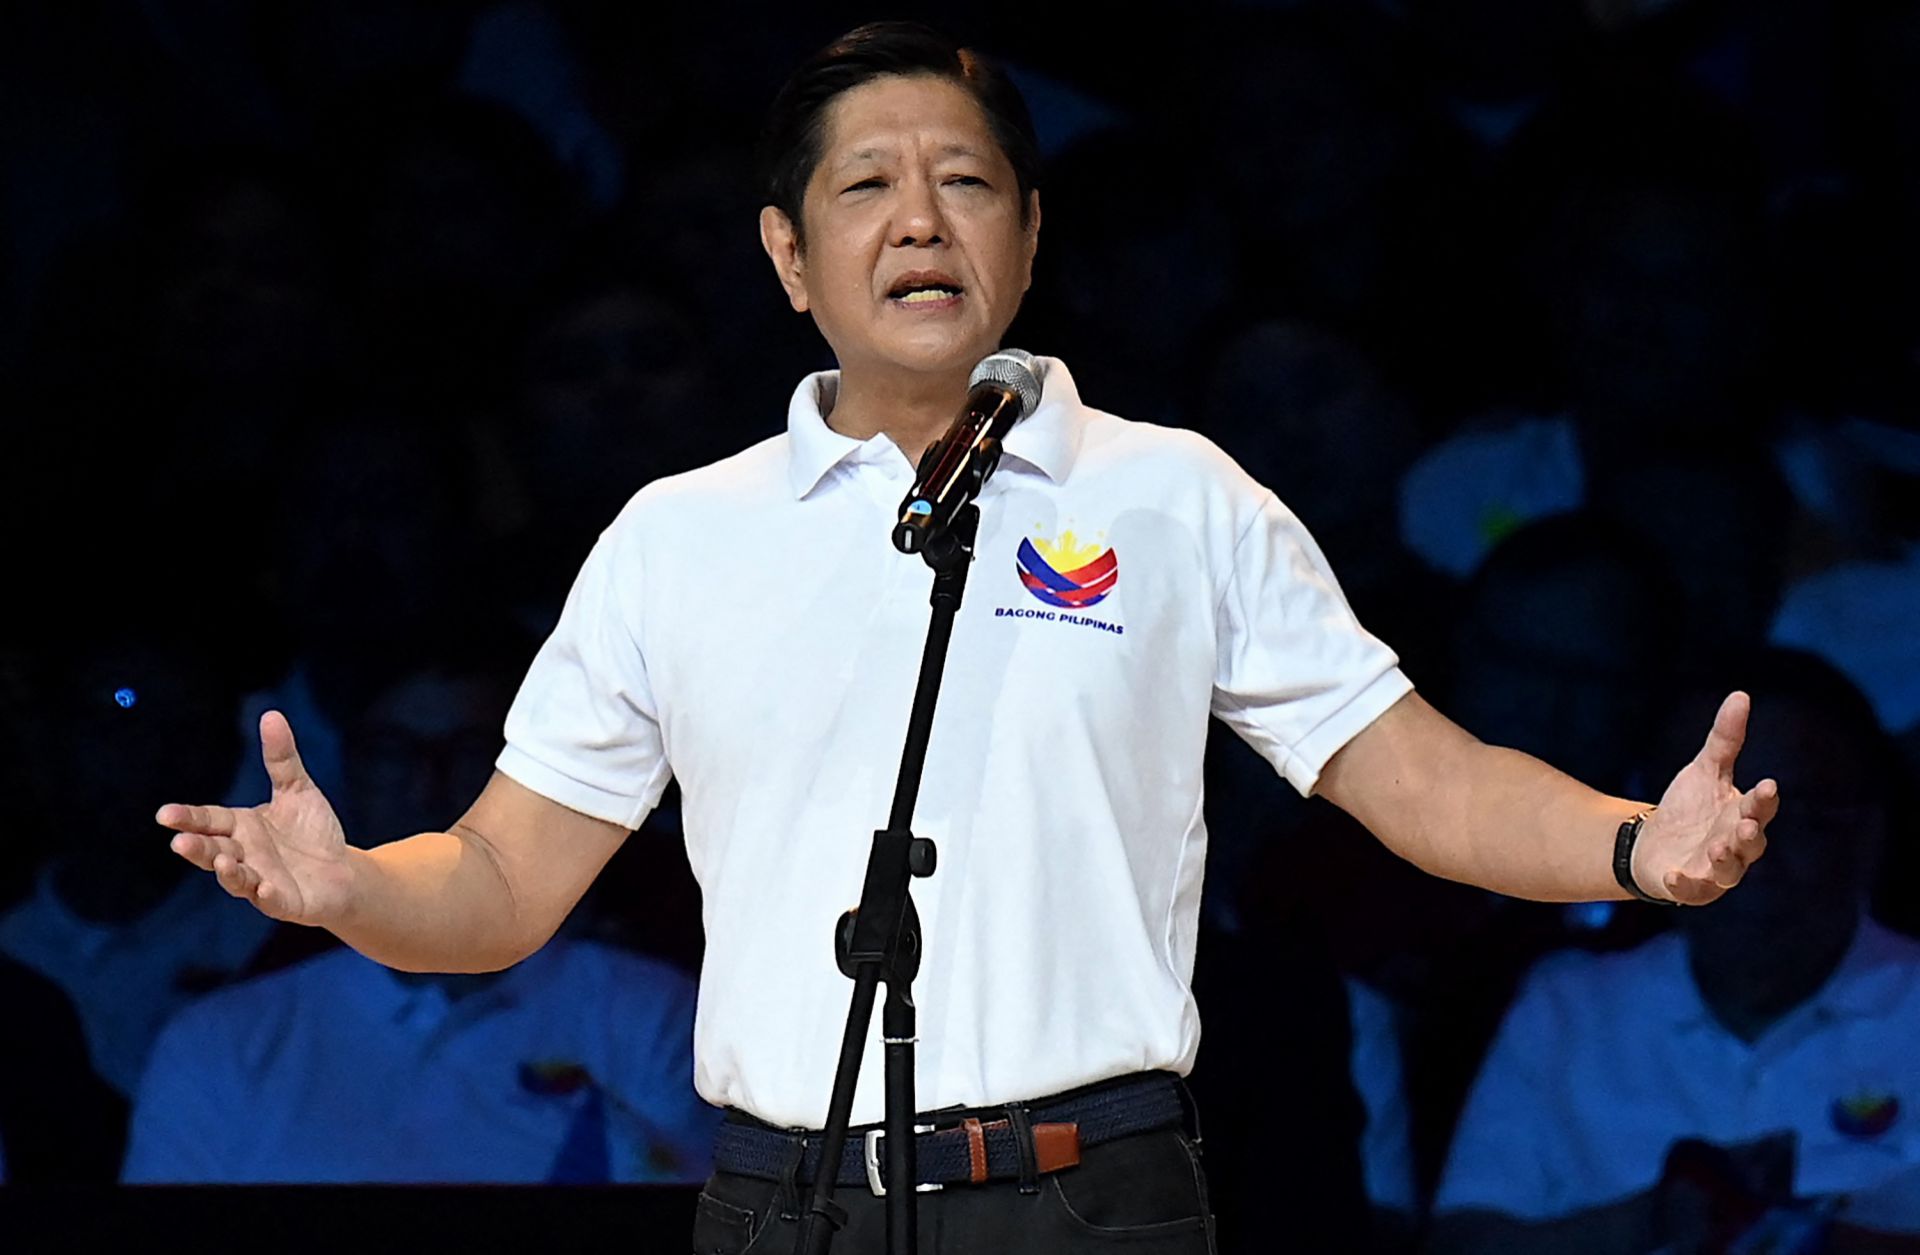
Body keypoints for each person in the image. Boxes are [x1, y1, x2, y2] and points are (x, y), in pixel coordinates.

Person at [155, 23, 1780, 1255]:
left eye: (966, 182)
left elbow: (1416, 780)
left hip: (1095, 1196)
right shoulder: (678, 538)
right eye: (867, 184)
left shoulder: (1175, 499)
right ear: (788, 256)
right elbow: (506, 883)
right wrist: (357, 886)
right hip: (785, 1196)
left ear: (1027, 238)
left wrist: (1635, 844)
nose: (920, 217)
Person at [1428, 651, 1920, 1253]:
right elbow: (1462, 1241)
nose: (1747, 855)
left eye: (1791, 818)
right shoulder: (1571, 1009)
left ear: (1865, 834)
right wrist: (1657, 1221)